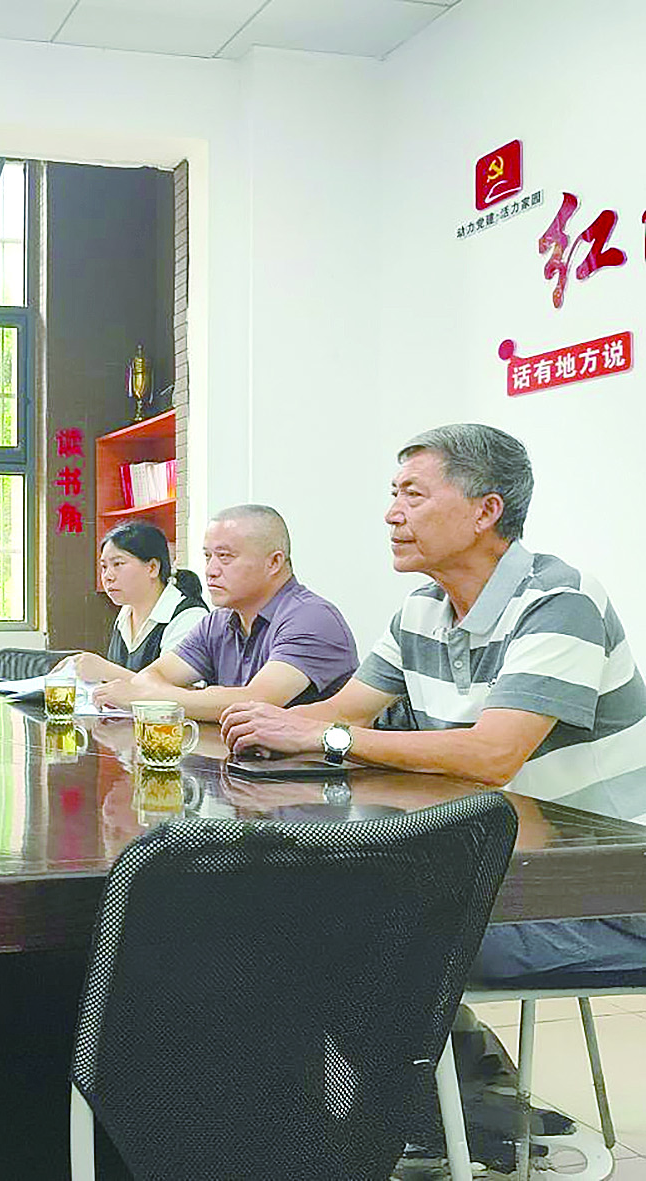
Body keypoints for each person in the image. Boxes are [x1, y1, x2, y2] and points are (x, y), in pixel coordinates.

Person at [220, 423, 646, 1167]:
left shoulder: (561, 601)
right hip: (502, 869)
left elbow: (491, 754)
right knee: (307, 906)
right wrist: (275, 727)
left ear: (485, 510)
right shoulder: (421, 607)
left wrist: (322, 737)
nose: (391, 513)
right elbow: (342, 714)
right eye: (393, 494)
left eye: (412, 494)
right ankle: (468, 1114)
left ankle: (458, 1123)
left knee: (346, 926)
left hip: (600, 892)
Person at [92, 504, 358, 722]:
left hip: (310, 769)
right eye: (208, 557)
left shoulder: (311, 618)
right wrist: (177, 697)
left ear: (274, 562)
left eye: (225, 557)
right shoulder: (217, 623)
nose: (210, 571)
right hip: (233, 764)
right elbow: (149, 678)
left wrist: (152, 698)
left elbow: (257, 700)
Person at [56, 521, 208, 684]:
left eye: (118, 564)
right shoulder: (125, 612)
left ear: (152, 568)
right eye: (104, 567)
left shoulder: (190, 618)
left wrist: (106, 671)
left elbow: (176, 693)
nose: (108, 576)